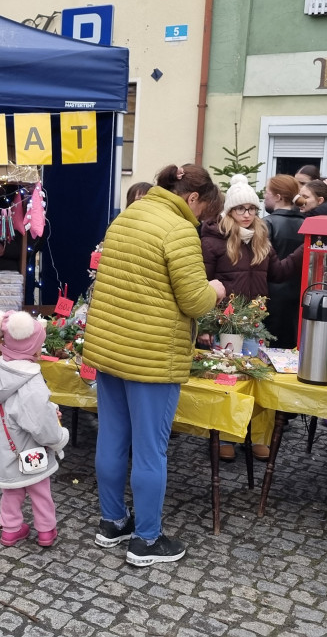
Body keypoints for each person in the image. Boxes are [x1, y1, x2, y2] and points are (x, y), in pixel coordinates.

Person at [83, 163, 226, 566]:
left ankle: (112, 522)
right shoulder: (177, 228)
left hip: (109, 348)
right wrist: (215, 288)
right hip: (151, 356)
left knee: (112, 438)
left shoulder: (130, 215)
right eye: (204, 210)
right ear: (192, 198)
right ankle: (146, 539)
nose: (202, 219)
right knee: (150, 450)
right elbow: (195, 300)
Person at [199, 175, 303, 461]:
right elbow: (203, 285)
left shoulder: (261, 240)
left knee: (257, 380)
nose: (247, 215)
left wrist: (304, 249)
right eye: (241, 209)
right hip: (224, 325)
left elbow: (279, 272)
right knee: (228, 381)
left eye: (252, 209)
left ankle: (258, 436)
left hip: (255, 323)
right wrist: (206, 325)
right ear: (229, 211)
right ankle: (227, 437)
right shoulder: (213, 241)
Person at [0, 309, 70, 548]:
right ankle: (45, 531)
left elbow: (17, 409)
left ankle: (10, 530)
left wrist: (49, 408)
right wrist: (59, 436)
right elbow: (40, 423)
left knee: (11, 492)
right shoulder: (31, 382)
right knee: (40, 490)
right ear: (30, 348)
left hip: (7, 447)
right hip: (31, 449)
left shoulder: (3, 372)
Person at [263, 175, 304, 349]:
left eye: (267, 192)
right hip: (299, 298)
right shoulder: (307, 224)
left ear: (278, 197)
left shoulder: (266, 224)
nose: (264, 196)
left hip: (269, 298)